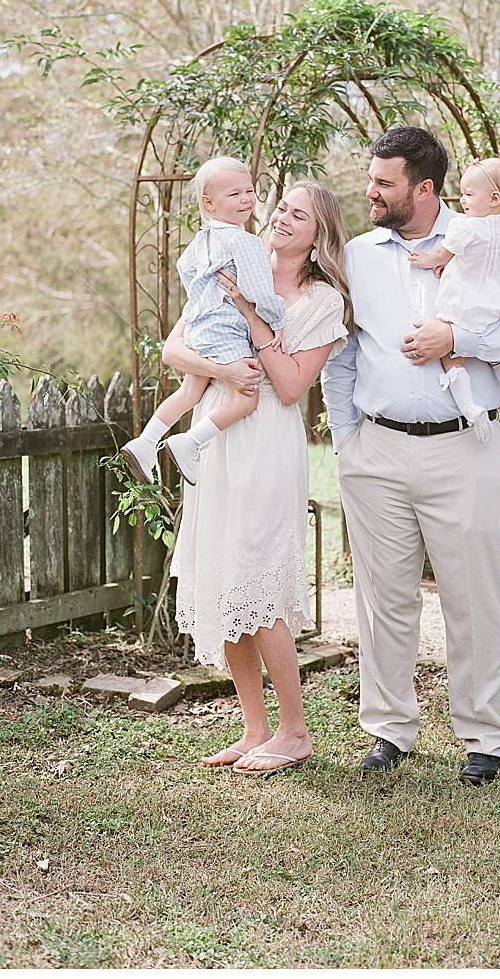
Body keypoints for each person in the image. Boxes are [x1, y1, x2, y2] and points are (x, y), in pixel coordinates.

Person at [322, 125, 500, 786]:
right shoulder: (358, 256)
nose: (370, 192)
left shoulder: (491, 241)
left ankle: (483, 737)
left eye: (383, 183)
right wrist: (346, 437)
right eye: (371, 180)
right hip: (376, 451)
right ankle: (389, 729)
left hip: (466, 448)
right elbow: (343, 351)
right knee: (382, 600)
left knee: (473, 599)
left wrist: (459, 338)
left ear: (424, 189)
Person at [163, 179, 351, 775]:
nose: (283, 219)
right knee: (224, 577)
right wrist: (221, 368)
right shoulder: (229, 259)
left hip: (267, 437)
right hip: (216, 430)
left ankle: (295, 732)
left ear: (318, 236)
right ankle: (254, 729)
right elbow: (173, 351)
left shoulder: (322, 301)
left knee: (260, 581)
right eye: (282, 208)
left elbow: (292, 386)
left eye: (300, 215)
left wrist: (250, 311)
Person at [121, 156, 288, 485]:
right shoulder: (245, 241)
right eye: (234, 194)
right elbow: (259, 292)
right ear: (208, 203)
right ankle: (191, 442)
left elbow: (185, 270)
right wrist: (277, 320)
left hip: (199, 329)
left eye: (249, 191)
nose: (245, 199)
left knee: (189, 392)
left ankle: (145, 441)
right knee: (247, 397)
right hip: (226, 331)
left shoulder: (201, 242)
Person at [408, 157, 500, 434]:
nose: (462, 200)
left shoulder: (466, 226)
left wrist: (428, 260)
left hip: (464, 306)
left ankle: (468, 406)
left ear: (493, 199)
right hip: (494, 305)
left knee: (449, 353)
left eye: (468, 194)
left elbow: (443, 253)